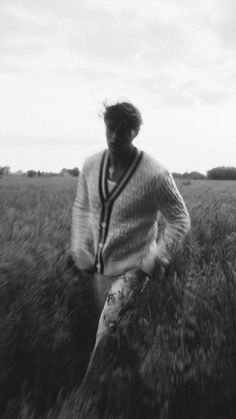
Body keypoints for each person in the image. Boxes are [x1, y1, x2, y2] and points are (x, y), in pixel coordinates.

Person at [70, 101, 191, 352]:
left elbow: (180, 218)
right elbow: (82, 207)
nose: (114, 137)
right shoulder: (91, 165)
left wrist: (154, 259)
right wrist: (79, 248)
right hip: (100, 269)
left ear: (135, 132)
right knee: (114, 332)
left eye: (123, 131)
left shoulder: (155, 174)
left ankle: (88, 390)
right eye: (110, 128)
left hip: (134, 271)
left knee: (105, 331)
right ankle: (125, 375)